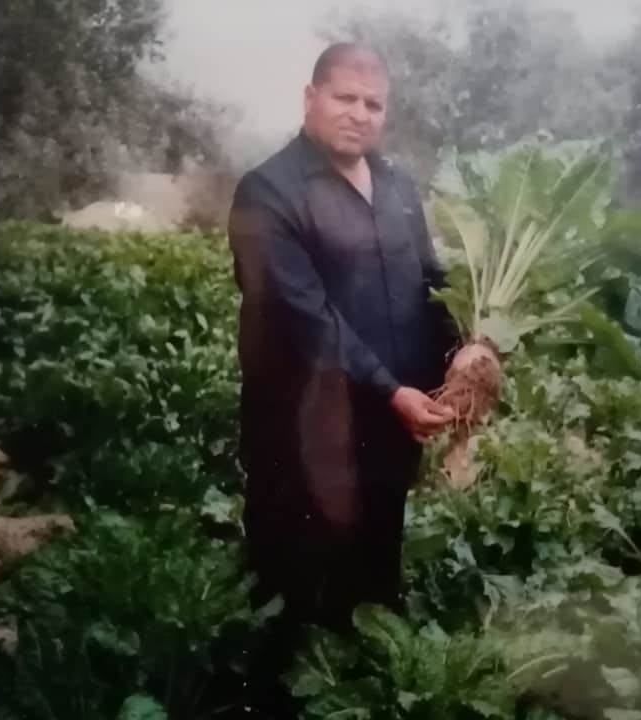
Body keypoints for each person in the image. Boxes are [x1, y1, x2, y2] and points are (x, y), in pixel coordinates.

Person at [227, 42, 458, 637]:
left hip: (389, 429)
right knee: (296, 588)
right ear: (311, 98)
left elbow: (430, 283)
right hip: (303, 432)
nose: (359, 114)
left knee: (375, 572)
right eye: (345, 98)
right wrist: (391, 390)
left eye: (373, 104)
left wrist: (468, 350)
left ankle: (365, 670)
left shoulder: (398, 187)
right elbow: (303, 317)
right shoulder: (267, 193)